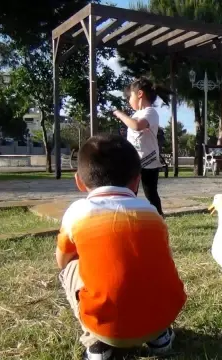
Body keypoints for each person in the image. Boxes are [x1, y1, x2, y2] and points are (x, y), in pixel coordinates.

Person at [55, 134, 186, 360]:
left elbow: (62, 260)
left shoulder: (77, 212)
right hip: (163, 316)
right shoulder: (150, 212)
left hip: (109, 329)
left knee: (71, 268)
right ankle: (159, 336)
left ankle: (97, 342)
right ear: (137, 180)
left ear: (79, 181)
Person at [114, 77, 171, 216]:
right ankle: (129, 218)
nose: (128, 101)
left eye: (130, 97)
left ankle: (158, 218)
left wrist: (120, 114)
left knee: (150, 194)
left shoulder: (150, 112)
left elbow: (137, 125)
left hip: (149, 162)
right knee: (129, 192)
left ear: (139, 94)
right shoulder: (137, 114)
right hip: (134, 161)